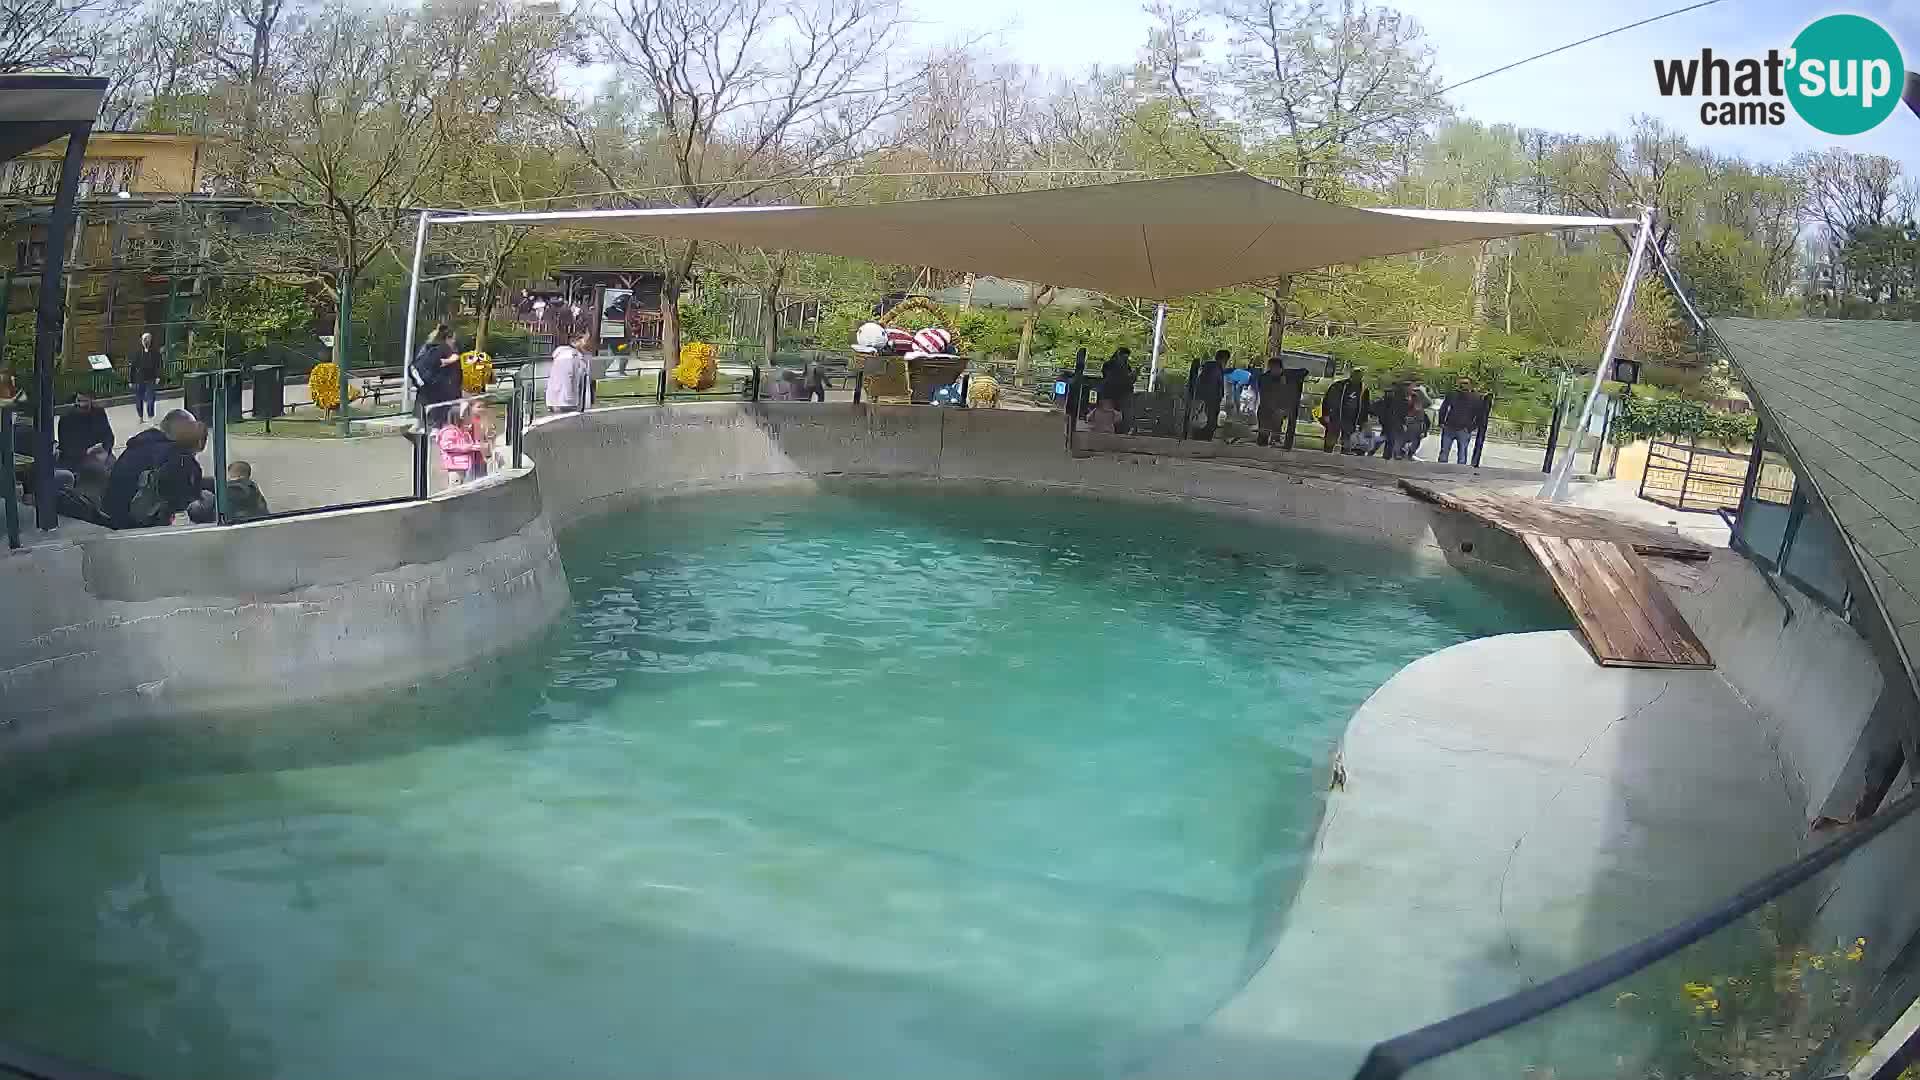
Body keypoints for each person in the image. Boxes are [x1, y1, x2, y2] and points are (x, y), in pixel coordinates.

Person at [106, 409, 210, 529]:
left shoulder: (142, 445)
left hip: (116, 523)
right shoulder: (176, 458)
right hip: (138, 530)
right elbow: (189, 500)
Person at [410, 323, 462, 425]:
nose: (454, 341)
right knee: (438, 427)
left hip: (424, 393)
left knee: (423, 425)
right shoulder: (443, 350)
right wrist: (450, 360)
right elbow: (436, 364)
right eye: (453, 339)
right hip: (438, 396)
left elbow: (417, 366)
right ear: (447, 338)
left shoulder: (427, 347)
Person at [56, 391, 114, 471]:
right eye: (79, 401)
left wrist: (105, 450)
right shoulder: (68, 416)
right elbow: (66, 446)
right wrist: (86, 454)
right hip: (75, 459)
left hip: (97, 455)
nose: (81, 405)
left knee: (113, 465)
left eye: (85, 402)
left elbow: (108, 436)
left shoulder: (98, 412)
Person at [1437, 377, 1485, 465]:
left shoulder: (1476, 398)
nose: (1463, 385)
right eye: (1461, 383)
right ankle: (1440, 470)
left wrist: (1471, 427)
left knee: (1462, 455)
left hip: (1464, 429)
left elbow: (1480, 415)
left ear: (1470, 385)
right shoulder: (1453, 394)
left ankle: (1460, 473)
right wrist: (1441, 422)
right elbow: (1443, 408)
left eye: (1465, 383)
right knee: (1444, 453)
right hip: (1449, 426)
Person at [1320, 368, 1369, 452]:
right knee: (1331, 436)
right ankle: (1327, 453)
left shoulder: (1363, 390)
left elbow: (1365, 406)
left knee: (1347, 439)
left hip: (1352, 418)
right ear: (1351, 376)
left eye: (1359, 377)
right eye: (1355, 376)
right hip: (1336, 415)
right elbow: (1327, 400)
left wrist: (1363, 420)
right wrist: (1326, 414)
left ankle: (1344, 455)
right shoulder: (1338, 385)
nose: (1357, 378)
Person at [1254, 357, 1300, 447]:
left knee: (1276, 428)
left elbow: (1289, 395)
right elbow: (1265, 395)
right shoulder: (1264, 379)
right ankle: (1264, 443)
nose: (1273, 370)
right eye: (1271, 367)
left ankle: (1274, 441)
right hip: (1266, 409)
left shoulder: (1287, 379)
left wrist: (1284, 409)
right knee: (1264, 432)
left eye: (1275, 368)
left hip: (1278, 410)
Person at [438, 401, 485, 485]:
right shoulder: (449, 431)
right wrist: (470, 447)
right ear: (459, 417)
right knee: (455, 488)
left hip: (463, 465)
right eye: (468, 415)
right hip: (455, 466)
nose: (470, 417)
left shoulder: (462, 431)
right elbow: (447, 446)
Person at [546, 332, 594, 412]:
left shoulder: (571, 355)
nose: (587, 343)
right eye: (585, 340)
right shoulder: (569, 356)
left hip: (562, 400)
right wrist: (570, 397)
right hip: (564, 402)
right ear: (576, 341)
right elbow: (567, 376)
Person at [1191, 352, 1227, 440]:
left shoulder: (1208, 368)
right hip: (1211, 400)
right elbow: (1216, 386)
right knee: (1209, 421)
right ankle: (1204, 436)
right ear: (1224, 360)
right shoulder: (1216, 369)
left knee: (1203, 419)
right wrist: (1219, 397)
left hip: (1204, 399)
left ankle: (1200, 435)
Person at [129, 332, 163, 421]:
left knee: (151, 399)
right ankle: (140, 416)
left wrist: (158, 376)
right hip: (139, 380)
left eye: (147, 339)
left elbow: (159, 365)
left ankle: (150, 416)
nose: (146, 341)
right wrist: (131, 381)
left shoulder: (155, 353)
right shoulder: (137, 353)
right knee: (139, 399)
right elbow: (133, 368)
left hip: (151, 379)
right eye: (144, 339)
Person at [1099, 347, 1134, 432]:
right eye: (1124, 356)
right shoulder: (1110, 364)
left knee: (1119, 413)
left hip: (1121, 393)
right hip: (1111, 392)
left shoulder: (1127, 366)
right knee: (1110, 412)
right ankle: (1109, 428)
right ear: (1119, 355)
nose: (1125, 358)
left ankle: (1119, 429)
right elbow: (1107, 376)